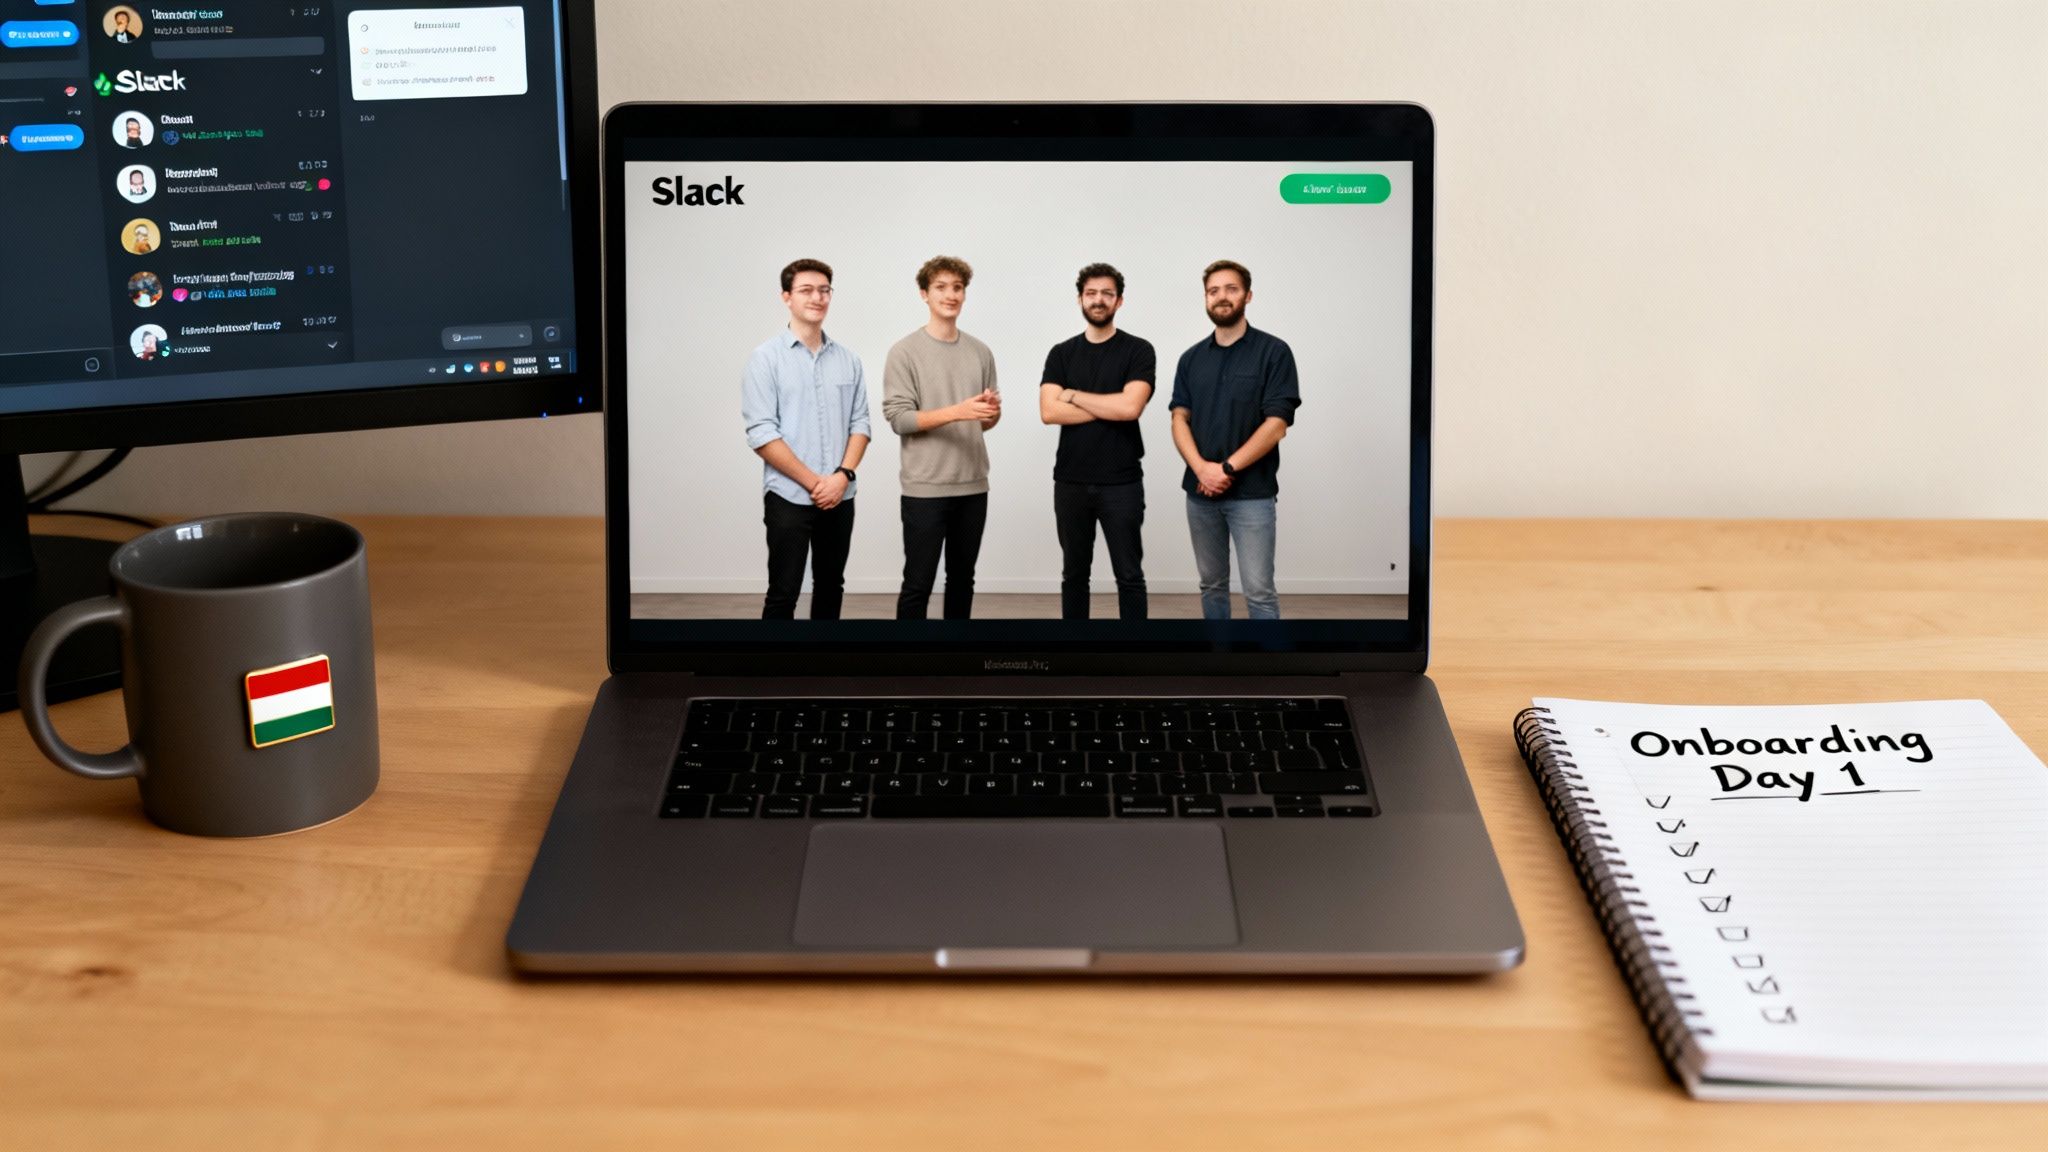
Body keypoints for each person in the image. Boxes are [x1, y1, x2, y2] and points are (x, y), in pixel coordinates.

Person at [1169, 259, 1301, 620]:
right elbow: (1179, 417)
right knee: (1211, 586)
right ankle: (1220, 660)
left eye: (1231, 289)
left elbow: (1276, 425)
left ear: (1248, 295)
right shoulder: (1190, 359)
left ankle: (1269, 672)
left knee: (1258, 592)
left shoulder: (1274, 353)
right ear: (1205, 299)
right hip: (1200, 495)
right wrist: (1201, 469)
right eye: (1213, 291)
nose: (1221, 297)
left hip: (1252, 495)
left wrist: (1225, 468)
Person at [740, 259, 870, 620]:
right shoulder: (765, 359)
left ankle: (824, 667)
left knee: (832, 586)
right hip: (789, 495)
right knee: (784, 592)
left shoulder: (849, 360)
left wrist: (842, 476)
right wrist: (817, 483)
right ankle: (773, 673)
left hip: (840, 495)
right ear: (786, 297)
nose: (817, 297)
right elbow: (762, 434)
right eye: (806, 290)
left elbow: (861, 423)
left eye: (824, 290)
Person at [881, 255, 1000, 620]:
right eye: (941, 287)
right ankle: (908, 663)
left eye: (958, 288)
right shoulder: (904, 352)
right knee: (918, 583)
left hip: (973, 486)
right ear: (924, 294)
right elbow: (899, 419)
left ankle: (956, 659)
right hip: (925, 489)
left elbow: (983, 422)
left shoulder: (980, 351)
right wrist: (959, 411)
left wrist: (989, 414)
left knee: (963, 580)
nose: (951, 295)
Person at [1038, 262, 1155, 620]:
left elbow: (1131, 407)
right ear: (1080, 300)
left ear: (1119, 301)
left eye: (1107, 293)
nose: (1099, 300)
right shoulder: (1061, 353)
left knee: (1129, 575)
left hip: (1121, 481)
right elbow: (1049, 412)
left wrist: (1073, 395)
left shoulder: (1138, 350)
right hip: (1070, 480)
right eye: (1091, 293)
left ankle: (1135, 652)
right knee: (1074, 574)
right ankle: (1076, 649)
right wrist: (1109, 404)